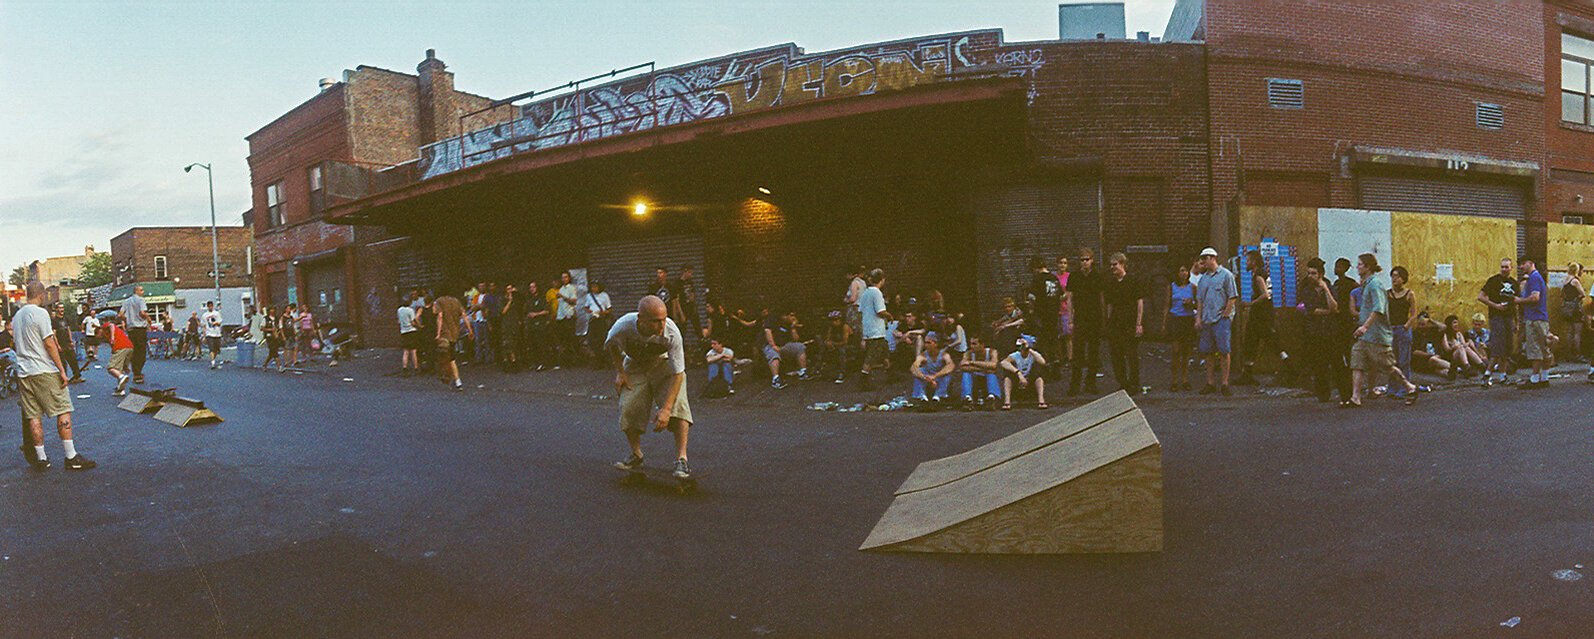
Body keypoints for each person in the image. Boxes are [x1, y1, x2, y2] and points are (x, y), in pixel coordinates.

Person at [607, 296, 694, 480]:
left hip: (663, 364)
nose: (661, 325)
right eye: (655, 321)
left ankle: (682, 459)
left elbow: (678, 373)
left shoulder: (671, 332)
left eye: (663, 319)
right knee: (629, 407)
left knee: (678, 406)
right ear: (641, 319)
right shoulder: (623, 326)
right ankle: (636, 455)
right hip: (635, 364)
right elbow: (612, 345)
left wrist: (666, 409)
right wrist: (620, 372)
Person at [12, 282, 95, 471]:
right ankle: (71, 456)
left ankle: (41, 459)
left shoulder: (17, 316)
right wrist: (62, 370)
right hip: (44, 370)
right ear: (41, 295)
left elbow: (17, 344)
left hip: (24, 372)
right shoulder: (40, 313)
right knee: (63, 409)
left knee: (33, 415)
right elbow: (49, 343)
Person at [1349, 253, 1419, 407]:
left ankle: (1410, 387)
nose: (1357, 267)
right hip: (1365, 336)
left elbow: (1379, 308)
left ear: (1367, 267)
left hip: (1376, 335)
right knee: (1357, 361)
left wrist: (1365, 326)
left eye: (1360, 264)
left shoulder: (1375, 285)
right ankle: (1355, 397)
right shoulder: (1367, 284)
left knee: (1387, 365)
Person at [1237, 250, 1286, 386]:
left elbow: (1265, 295)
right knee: (1260, 343)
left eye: (1248, 261)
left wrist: (1249, 304)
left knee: (1255, 342)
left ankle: (1289, 368)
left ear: (1254, 262)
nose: (1246, 263)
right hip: (1263, 315)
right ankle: (1247, 373)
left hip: (1261, 316)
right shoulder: (1261, 273)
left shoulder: (1258, 276)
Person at [1194, 247, 1239, 396]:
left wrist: (1226, 315)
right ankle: (1210, 382)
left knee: (1224, 351)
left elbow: (1232, 297)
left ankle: (1225, 383)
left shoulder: (1226, 275)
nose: (1203, 262)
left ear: (1212, 258)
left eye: (1205, 258)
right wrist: (1199, 318)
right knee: (1208, 352)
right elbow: (1200, 300)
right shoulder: (1203, 279)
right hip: (1207, 320)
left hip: (1221, 319)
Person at [1298, 258, 1340, 402]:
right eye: (1308, 273)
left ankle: (1342, 391)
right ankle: (1322, 393)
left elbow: (1334, 307)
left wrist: (1326, 290)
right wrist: (1328, 311)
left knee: (1335, 362)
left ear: (1320, 274)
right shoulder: (1306, 290)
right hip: (1314, 331)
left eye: (1313, 273)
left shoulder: (1330, 287)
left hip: (1330, 330)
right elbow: (1311, 310)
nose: (1310, 276)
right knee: (1318, 364)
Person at [1102, 252, 1143, 396]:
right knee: (1116, 355)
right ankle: (1123, 382)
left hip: (1129, 323)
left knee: (1131, 354)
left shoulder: (1132, 281)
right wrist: (1108, 321)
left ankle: (1134, 383)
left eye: (1115, 264)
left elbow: (1139, 303)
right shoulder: (1111, 283)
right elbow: (1109, 305)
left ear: (1123, 264)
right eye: (1111, 264)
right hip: (1115, 323)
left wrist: (1139, 324)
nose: (1112, 267)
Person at [1065, 248, 1104, 396]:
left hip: (1094, 318)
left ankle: (1091, 383)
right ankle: (1075, 385)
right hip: (1080, 318)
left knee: (1094, 352)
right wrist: (1070, 319)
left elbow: (1102, 297)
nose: (1084, 262)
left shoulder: (1097, 276)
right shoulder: (1074, 276)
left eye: (1087, 259)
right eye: (1082, 260)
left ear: (1092, 260)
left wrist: (1103, 318)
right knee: (1078, 353)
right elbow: (1069, 298)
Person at [1477, 257, 1518, 385]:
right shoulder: (1493, 281)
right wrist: (1495, 306)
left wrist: (1516, 323)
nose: (1504, 269)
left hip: (1509, 317)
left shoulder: (1514, 283)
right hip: (1497, 317)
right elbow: (1481, 297)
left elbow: (1516, 304)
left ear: (1511, 268)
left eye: (1507, 267)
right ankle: (1487, 374)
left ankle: (1502, 376)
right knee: (1498, 347)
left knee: (1507, 348)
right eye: (1502, 267)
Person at [1515, 257, 1552, 389]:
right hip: (1540, 317)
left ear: (1531, 263)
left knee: (1535, 349)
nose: (1520, 267)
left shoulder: (1534, 278)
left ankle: (1535, 379)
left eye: (1523, 264)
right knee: (1544, 348)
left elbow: (1535, 297)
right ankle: (1545, 377)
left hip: (1535, 318)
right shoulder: (1537, 277)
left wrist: (1519, 300)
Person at [1026, 256, 1062, 371]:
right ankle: (1056, 367)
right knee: (1054, 340)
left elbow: (1031, 297)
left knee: (1043, 342)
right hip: (1054, 314)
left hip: (1042, 315)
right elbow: (1061, 295)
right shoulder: (1054, 278)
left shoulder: (1037, 279)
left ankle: (1045, 369)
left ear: (1035, 268)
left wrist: (1031, 309)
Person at [857, 268, 891, 391]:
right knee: (872, 356)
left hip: (869, 328)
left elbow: (860, 310)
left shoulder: (866, 293)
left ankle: (890, 373)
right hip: (876, 330)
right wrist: (889, 316)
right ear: (882, 280)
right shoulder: (876, 292)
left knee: (885, 351)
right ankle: (863, 379)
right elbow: (880, 311)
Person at [1166, 263, 1198, 392]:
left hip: (1188, 319)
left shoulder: (1193, 287)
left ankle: (1184, 380)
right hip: (1176, 319)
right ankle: (1174, 380)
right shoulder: (1172, 287)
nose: (1183, 273)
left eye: (1185, 271)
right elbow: (1166, 304)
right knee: (1175, 350)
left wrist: (1192, 303)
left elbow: (1198, 304)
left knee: (1186, 351)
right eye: (1181, 271)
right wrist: (1164, 322)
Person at [1386, 266, 1419, 385]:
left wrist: (1406, 326)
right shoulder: (1388, 294)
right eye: (1392, 276)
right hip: (1391, 329)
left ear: (1403, 279)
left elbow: (1414, 314)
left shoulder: (1409, 294)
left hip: (1403, 329)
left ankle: (1405, 387)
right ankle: (1392, 387)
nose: (1394, 279)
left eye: (1397, 276)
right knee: (1391, 361)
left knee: (1404, 360)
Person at [763, 309, 811, 389]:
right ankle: (776, 379)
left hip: (783, 345)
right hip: (770, 345)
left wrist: (793, 328)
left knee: (800, 347)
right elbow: (767, 331)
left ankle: (803, 372)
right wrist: (773, 345)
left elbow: (796, 339)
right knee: (773, 354)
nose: (793, 318)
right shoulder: (774, 319)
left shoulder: (788, 324)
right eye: (791, 315)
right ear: (785, 316)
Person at [434, 293, 471, 392]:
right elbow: (464, 316)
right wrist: (469, 330)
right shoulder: (456, 301)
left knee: (446, 357)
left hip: (444, 334)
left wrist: (438, 333)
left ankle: (450, 378)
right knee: (452, 358)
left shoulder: (439, 300)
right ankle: (457, 381)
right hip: (454, 334)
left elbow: (440, 316)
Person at [1000, 336, 1048, 410]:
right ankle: (1007, 402)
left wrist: (1030, 350)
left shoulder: (1033, 354)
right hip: (1018, 379)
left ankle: (1041, 401)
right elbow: (1003, 363)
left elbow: (1042, 362)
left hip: (1029, 378)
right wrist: (1018, 373)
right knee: (1007, 378)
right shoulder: (1015, 355)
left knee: (1039, 378)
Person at [958, 334, 1002, 408]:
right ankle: (967, 398)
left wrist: (972, 362)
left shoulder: (992, 352)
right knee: (966, 374)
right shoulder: (968, 353)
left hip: (987, 379)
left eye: (974, 344)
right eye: (971, 344)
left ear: (982, 345)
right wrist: (985, 368)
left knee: (991, 375)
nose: (972, 346)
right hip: (974, 379)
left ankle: (992, 398)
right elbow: (962, 366)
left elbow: (993, 365)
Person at [910, 334, 955, 406]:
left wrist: (935, 376)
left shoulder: (944, 355)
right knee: (919, 370)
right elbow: (914, 367)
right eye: (925, 343)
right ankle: (922, 397)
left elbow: (951, 366)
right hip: (928, 379)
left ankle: (938, 397)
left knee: (948, 374)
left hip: (938, 379)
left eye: (929, 343)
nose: (926, 345)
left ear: (936, 344)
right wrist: (924, 377)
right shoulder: (922, 355)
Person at [119, 284, 150, 383]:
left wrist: (127, 319)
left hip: (131, 329)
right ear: (136, 291)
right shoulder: (141, 300)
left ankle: (135, 372)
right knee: (141, 351)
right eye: (141, 290)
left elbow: (120, 314)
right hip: (140, 328)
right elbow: (142, 313)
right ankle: (138, 373)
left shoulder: (127, 301)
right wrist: (148, 318)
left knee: (134, 350)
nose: (143, 292)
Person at [49, 303, 84, 384]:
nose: (62, 310)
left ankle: (77, 376)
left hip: (68, 343)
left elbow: (68, 329)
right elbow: (54, 334)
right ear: (57, 309)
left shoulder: (65, 319)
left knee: (73, 360)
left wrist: (71, 340)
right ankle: (64, 378)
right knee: (63, 362)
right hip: (61, 343)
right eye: (60, 308)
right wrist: (57, 345)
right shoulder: (54, 321)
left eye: (63, 308)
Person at [101, 316, 135, 397]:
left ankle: (121, 376)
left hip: (121, 347)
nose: (100, 338)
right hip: (129, 347)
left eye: (98, 336)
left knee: (111, 368)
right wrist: (126, 366)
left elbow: (111, 325)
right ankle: (121, 390)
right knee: (119, 369)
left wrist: (112, 337)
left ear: (99, 331)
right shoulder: (111, 334)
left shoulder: (104, 327)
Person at [524, 280, 552, 371]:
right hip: (531, 325)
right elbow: (526, 310)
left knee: (541, 343)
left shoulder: (542, 298)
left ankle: (543, 363)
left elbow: (547, 310)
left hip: (540, 324)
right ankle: (535, 363)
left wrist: (537, 314)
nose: (532, 289)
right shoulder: (530, 300)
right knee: (533, 344)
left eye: (533, 287)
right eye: (530, 287)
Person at [584, 281, 613, 368]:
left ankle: (605, 360)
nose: (594, 289)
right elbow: (586, 307)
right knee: (592, 340)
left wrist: (602, 312)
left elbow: (609, 309)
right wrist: (588, 312)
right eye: (592, 287)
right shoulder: (589, 296)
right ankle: (597, 360)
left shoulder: (605, 296)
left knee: (602, 339)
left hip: (601, 319)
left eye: (595, 287)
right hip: (593, 319)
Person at [820, 310, 853, 383]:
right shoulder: (831, 327)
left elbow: (845, 342)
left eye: (835, 320)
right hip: (837, 343)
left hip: (849, 344)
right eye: (831, 320)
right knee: (823, 346)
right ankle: (821, 369)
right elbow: (827, 337)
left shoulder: (845, 326)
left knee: (842, 350)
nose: (833, 322)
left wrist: (833, 343)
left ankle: (842, 372)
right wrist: (827, 342)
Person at [556, 271, 581, 366]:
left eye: (566, 277)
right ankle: (567, 360)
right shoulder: (561, 289)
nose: (564, 279)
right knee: (564, 339)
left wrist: (563, 297)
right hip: (561, 316)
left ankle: (576, 359)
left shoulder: (571, 288)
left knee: (571, 338)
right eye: (563, 277)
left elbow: (573, 301)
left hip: (569, 316)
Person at [1562, 262, 1585, 362]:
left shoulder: (1566, 280)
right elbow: (1582, 293)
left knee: (1569, 332)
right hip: (1575, 309)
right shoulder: (1575, 281)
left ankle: (1568, 354)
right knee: (1577, 333)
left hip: (1567, 308)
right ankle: (1577, 354)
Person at [499, 284, 525, 372]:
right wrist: (509, 302)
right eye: (508, 289)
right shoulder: (502, 299)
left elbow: (519, 309)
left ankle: (515, 362)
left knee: (515, 343)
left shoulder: (516, 299)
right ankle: (508, 362)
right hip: (506, 324)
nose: (510, 291)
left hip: (514, 323)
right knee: (507, 344)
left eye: (511, 289)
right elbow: (503, 311)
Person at [1055, 256, 1073, 365]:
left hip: (1066, 309)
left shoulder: (1069, 277)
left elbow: (1071, 291)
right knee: (1058, 335)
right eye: (1060, 263)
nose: (1063, 265)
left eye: (1065, 263)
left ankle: (1070, 358)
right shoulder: (1054, 277)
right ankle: (1060, 358)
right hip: (1056, 309)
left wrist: (1066, 295)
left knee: (1068, 335)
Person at [398, 293, 421, 376]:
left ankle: (405, 368)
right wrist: (419, 326)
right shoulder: (410, 310)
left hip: (403, 332)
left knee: (406, 351)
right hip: (411, 331)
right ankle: (416, 368)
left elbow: (399, 321)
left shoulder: (399, 310)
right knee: (414, 351)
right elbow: (413, 322)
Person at [202, 300, 224, 370]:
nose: (210, 307)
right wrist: (204, 336)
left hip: (217, 334)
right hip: (209, 334)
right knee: (211, 349)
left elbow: (220, 323)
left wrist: (215, 323)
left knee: (216, 350)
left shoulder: (217, 313)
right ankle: (213, 363)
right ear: (207, 307)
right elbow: (204, 326)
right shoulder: (204, 315)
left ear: (213, 306)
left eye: (211, 306)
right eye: (209, 306)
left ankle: (213, 359)